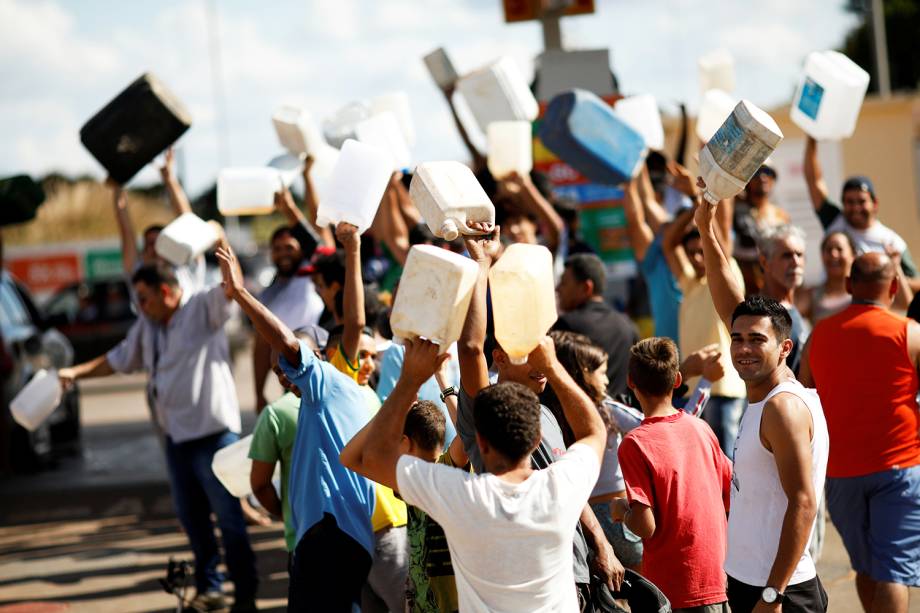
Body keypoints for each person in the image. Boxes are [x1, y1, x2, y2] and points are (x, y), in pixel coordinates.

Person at [342, 333, 608, 611]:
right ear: (538, 437)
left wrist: (409, 381)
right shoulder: (560, 487)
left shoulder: (460, 494)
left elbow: (361, 458)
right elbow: (594, 431)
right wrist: (552, 366)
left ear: (480, 443)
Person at [57, 260, 258, 612]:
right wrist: (75, 373)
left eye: (145, 298)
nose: (141, 306)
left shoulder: (200, 308)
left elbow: (232, 289)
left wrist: (217, 238)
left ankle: (245, 597)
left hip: (214, 437)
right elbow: (117, 359)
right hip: (176, 439)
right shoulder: (147, 326)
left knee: (229, 519)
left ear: (166, 292)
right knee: (193, 518)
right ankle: (211, 588)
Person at [456, 225, 624, 608]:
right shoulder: (488, 409)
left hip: (575, 574)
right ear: (499, 358)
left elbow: (569, 481)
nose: (542, 359)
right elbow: (470, 349)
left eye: (541, 345)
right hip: (524, 583)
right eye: (526, 349)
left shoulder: (546, 413)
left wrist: (601, 543)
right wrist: (480, 264)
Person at [214, 243, 375, 612]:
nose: (284, 378)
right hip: (341, 537)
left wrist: (240, 294)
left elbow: (292, 343)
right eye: (278, 373)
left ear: (317, 356)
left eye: (287, 368)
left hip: (329, 535)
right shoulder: (336, 395)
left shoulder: (324, 385)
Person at [695, 197, 830, 613]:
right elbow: (728, 297)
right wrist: (706, 229)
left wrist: (773, 595)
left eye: (758, 341)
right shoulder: (763, 394)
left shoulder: (782, 408)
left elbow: (803, 502)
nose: (744, 349)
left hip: (779, 594)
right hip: (750, 582)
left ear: (785, 347)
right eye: (737, 339)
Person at [799, 252, 920, 613]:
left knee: (866, 568)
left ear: (850, 286)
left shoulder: (819, 335)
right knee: (893, 572)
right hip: (900, 468)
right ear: (895, 287)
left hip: (840, 473)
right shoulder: (910, 333)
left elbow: (804, 399)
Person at [611, 337, 732, 612]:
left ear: (631, 382)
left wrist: (621, 511)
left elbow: (645, 525)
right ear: (677, 380)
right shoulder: (702, 430)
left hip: (670, 589)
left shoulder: (635, 443)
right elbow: (730, 493)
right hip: (716, 579)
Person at [331, 221, 409, 613]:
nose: (367, 362)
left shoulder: (367, 392)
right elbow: (354, 322)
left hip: (378, 526)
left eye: (370, 354)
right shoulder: (338, 384)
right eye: (358, 354)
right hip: (380, 530)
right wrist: (354, 250)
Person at [343, 393, 468, 613]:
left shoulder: (410, 480)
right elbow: (469, 434)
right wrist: (447, 391)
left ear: (404, 442)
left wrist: (390, 409)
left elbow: (348, 457)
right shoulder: (444, 469)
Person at [543, 331, 644, 572]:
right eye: (601, 372)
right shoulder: (605, 409)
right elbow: (659, 427)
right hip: (618, 514)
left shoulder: (550, 415)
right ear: (584, 374)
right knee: (643, 593)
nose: (607, 380)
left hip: (583, 521)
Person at [662, 189, 746, 454]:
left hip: (724, 390)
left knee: (728, 462)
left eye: (702, 251)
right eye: (692, 253)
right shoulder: (688, 283)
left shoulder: (726, 271)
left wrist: (703, 206)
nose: (698, 257)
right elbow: (668, 244)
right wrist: (693, 208)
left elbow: (719, 246)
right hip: (692, 390)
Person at [803, 136, 919, 295]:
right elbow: (814, 181)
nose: (856, 207)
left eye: (862, 201)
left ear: (875, 203)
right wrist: (812, 139)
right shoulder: (835, 221)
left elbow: (917, 284)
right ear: (842, 204)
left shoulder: (892, 242)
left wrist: (889, 275)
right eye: (850, 202)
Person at [252, 187, 324, 412]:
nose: (283, 253)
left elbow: (317, 242)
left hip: (320, 370)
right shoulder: (267, 295)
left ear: (301, 250)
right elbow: (261, 347)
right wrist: (259, 393)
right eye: (277, 248)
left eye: (289, 247)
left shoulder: (310, 274)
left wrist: (289, 208)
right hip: (289, 383)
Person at [554, 252, 639, 397]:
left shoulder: (567, 325)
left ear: (586, 287)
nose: (557, 289)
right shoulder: (628, 327)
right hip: (622, 416)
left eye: (564, 282)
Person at [621, 168, 682, 344]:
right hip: (670, 357)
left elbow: (644, 208)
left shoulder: (699, 262)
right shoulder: (656, 264)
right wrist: (637, 165)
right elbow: (637, 218)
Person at [755, 224, 808, 374]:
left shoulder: (793, 306)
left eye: (799, 255)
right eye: (786, 255)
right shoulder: (759, 314)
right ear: (765, 262)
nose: (796, 262)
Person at [796, 231, 855, 324]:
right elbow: (789, 319)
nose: (833, 254)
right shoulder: (812, 295)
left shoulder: (862, 292)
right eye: (828, 250)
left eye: (839, 249)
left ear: (853, 255)